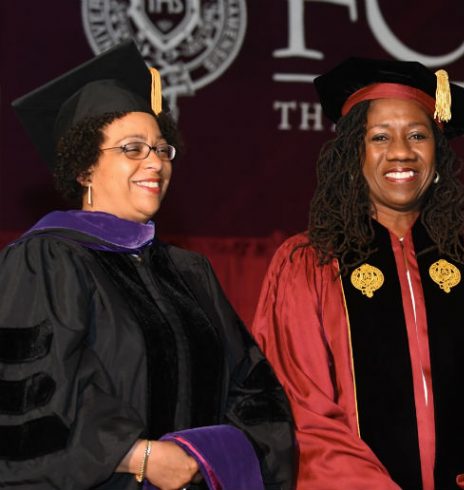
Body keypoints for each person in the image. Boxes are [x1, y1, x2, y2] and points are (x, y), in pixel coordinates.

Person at [249, 57, 464, 490]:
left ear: (437, 149)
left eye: (417, 135)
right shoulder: (309, 264)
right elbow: (301, 408)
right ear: (352, 154)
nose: (401, 152)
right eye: (379, 137)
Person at [1, 42, 296, 489]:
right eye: (132, 148)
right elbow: (28, 405)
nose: (155, 162)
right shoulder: (45, 261)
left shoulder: (189, 272)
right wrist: (136, 455)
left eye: (161, 148)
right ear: (84, 167)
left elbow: (252, 388)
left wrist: (213, 454)